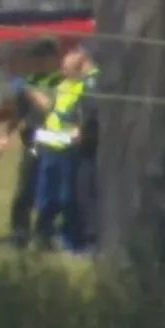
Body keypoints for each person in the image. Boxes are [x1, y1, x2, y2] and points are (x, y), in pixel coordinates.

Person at [15, 44, 92, 252]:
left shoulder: (83, 89)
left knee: (66, 196)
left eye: (68, 68)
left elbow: (64, 114)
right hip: (50, 146)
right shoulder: (63, 85)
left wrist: (31, 91)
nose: (63, 71)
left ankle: (72, 241)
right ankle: (42, 236)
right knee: (44, 196)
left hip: (66, 149)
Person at [0, 37, 63, 248]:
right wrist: (5, 136)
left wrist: (31, 90)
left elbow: (50, 107)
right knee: (26, 186)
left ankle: (45, 232)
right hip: (33, 140)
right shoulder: (29, 82)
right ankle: (19, 231)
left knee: (50, 188)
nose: (41, 64)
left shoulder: (61, 84)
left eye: (45, 59)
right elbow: (18, 113)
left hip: (55, 140)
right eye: (38, 59)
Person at [72, 44, 101, 250]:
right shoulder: (88, 80)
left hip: (92, 143)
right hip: (93, 142)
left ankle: (92, 239)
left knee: (87, 190)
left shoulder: (91, 80)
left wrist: (81, 130)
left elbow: (91, 110)